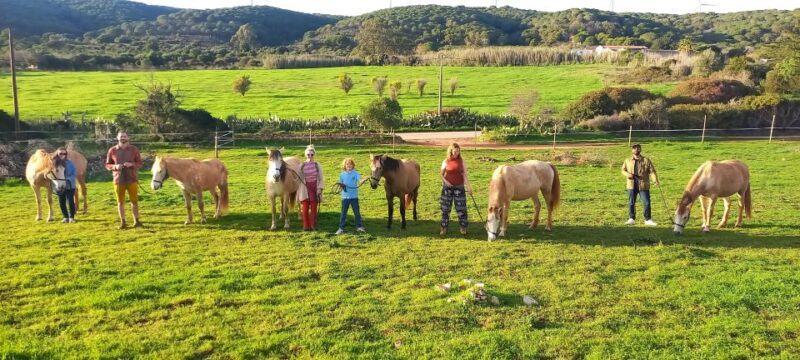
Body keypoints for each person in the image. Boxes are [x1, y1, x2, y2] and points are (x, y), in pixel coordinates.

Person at [105, 131, 143, 229]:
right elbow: (107, 165)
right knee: (120, 202)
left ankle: (137, 221)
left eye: (125, 136)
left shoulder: (134, 149)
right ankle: (123, 222)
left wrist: (132, 164)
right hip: (118, 180)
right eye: (121, 136)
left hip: (132, 179)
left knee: (134, 201)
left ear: (128, 138)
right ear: (117, 138)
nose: (123, 138)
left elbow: (139, 163)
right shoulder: (112, 150)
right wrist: (115, 166)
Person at [621, 143, 660, 226]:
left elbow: (652, 171)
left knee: (647, 202)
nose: (636, 150)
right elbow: (623, 170)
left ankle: (648, 219)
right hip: (631, 185)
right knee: (631, 202)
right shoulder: (627, 160)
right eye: (634, 148)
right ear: (632, 150)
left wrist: (655, 180)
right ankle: (631, 219)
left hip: (643, 185)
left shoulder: (646, 160)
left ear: (640, 150)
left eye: (638, 148)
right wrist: (628, 175)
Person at [440, 142, 472, 235]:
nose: (456, 153)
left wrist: (469, 187)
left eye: (458, 151)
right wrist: (446, 182)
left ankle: (463, 227)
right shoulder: (446, 161)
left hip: (459, 188)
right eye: (455, 151)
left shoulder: (462, 161)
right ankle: (443, 227)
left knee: (461, 209)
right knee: (445, 209)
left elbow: (465, 174)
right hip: (447, 189)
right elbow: (441, 174)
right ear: (451, 151)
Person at [335, 158, 367, 235]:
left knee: (357, 213)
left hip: (354, 197)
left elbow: (360, 180)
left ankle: (359, 227)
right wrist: (342, 186)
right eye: (347, 164)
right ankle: (341, 228)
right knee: (343, 213)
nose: (349, 165)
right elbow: (340, 184)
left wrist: (363, 180)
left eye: (350, 164)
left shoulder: (356, 173)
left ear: (353, 165)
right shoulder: (342, 174)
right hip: (345, 197)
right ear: (345, 165)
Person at [298, 144, 324, 231]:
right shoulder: (302, 165)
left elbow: (321, 178)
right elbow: (297, 177)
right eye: (308, 154)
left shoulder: (317, 165)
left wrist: (319, 188)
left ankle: (312, 225)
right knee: (305, 209)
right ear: (306, 155)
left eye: (311, 154)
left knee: (313, 208)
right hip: (305, 189)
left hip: (314, 188)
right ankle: (306, 226)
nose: (310, 156)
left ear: (314, 155)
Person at [53, 147, 77, 223]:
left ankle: (72, 217)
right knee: (61, 202)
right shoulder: (54, 163)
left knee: (70, 201)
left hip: (70, 185)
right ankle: (65, 217)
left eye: (64, 153)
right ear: (57, 154)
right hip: (59, 185)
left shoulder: (70, 163)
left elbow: (74, 174)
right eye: (60, 153)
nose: (62, 155)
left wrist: (67, 179)